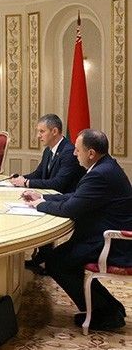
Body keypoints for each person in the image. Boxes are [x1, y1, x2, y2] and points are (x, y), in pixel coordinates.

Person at [21, 129, 131, 331]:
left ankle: (106, 314)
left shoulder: (99, 174)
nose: (74, 153)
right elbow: (76, 196)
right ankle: (110, 308)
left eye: (77, 150)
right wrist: (43, 197)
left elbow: (70, 208)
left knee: (57, 262)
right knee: (61, 260)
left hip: (112, 243)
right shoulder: (105, 166)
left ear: (91, 153)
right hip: (100, 235)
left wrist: (38, 206)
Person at [11, 114, 85, 274]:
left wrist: (27, 183)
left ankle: (47, 258)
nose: (38, 136)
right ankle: (43, 256)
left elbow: (58, 183)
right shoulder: (48, 151)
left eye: (41, 131)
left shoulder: (68, 151)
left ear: (55, 131)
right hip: (52, 195)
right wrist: (20, 179)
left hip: (65, 199)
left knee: (34, 206)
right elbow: (38, 174)